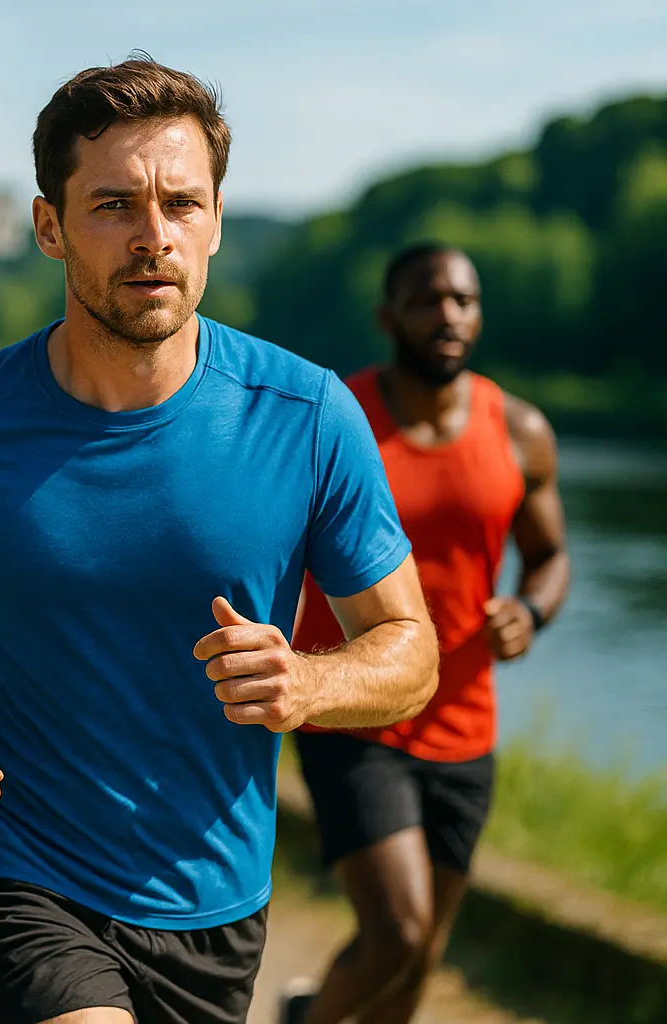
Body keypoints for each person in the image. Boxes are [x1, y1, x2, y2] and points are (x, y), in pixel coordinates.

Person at [0, 56, 441, 1024]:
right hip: (12, 868)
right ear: (49, 227)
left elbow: (412, 651)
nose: (154, 237)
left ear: (216, 223)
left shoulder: (309, 413)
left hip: (213, 901)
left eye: (182, 204)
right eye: (113, 204)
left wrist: (310, 681)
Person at [280, 244, 570, 1024]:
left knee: (419, 957)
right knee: (397, 932)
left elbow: (549, 558)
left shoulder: (519, 431)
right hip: (354, 704)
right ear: (388, 316)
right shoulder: (339, 417)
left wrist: (530, 611)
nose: (447, 314)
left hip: (466, 722)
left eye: (463, 300)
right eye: (426, 298)